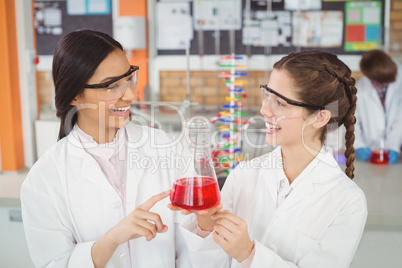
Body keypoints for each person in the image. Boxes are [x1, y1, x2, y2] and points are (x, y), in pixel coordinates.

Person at [171, 50, 368, 268]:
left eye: (280, 103)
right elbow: (209, 264)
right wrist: (206, 224)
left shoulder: (348, 202)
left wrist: (248, 254)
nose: (264, 110)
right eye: (267, 95)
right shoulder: (244, 175)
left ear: (320, 117)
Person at [20, 29, 197, 267]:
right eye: (111, 86)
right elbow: (54, 263)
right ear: (74, 95)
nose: (130, 95)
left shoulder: (168, 149)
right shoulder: (44, 179)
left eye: (128, 79)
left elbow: (192, 246)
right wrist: (113, 238)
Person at [354, 49, 402, 164]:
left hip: (398, 149)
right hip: (371, 151)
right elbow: (352, 122)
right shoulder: (359, 91)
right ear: (372, 79)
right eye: (386, 81)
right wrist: (359, 146)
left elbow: (400, 119)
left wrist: (393, 147)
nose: (394, 80)